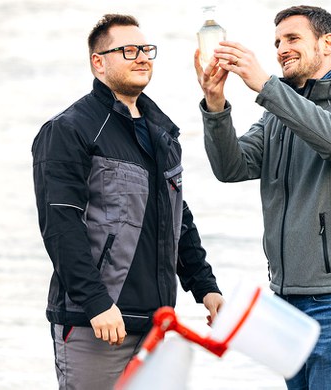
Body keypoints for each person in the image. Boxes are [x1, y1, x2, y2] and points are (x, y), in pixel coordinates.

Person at [194, 5, 331, 390]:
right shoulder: (277, 114)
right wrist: (215, 104)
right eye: (277, 42)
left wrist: (266, 86)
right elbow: (231, 167)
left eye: (292, 39)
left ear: (326, 43)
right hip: (285, 302)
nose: (281, 49)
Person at [32, 13, 224, 390]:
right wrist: (96, 304)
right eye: (128, 50)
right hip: (97, 324)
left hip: (155, 323)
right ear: (98, 62)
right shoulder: (70, 129)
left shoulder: (162, 133)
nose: (142, 57)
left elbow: (176, 218)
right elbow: (61, 225)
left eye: (146, 49)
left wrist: (205, 286)